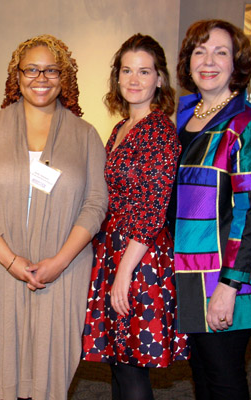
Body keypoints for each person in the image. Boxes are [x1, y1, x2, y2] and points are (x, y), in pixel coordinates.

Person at [0, 34, 107, 400]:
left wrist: (58, 262)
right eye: (31, 69)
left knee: (49, 370)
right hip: (0, 265)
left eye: (51, 70)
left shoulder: (85, 135)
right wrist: (10, 260)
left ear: (65, 77)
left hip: (64, 270)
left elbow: (95, 204)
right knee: (0, 362)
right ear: (17, 75)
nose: (40, 78)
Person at [172, 19, 251, 399]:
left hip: (223, 277)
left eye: (221, 52)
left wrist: (230, 285)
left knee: (224, 379)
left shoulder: (246, 124)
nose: (209, 60)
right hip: (188, 272)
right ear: (188, 62)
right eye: (200, 51)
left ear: (237, 64)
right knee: (202, 376)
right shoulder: (186, 117)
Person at [81, 34, 189, 400]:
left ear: (160, 79)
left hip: (139, 260)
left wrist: (124, 273)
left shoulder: (159, 131)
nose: (134, 79)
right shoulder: (121, 128)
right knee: (119, 359)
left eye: (144, 71)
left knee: (130, 369)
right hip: (115, 252)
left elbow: (153, 210)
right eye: (127, 70)